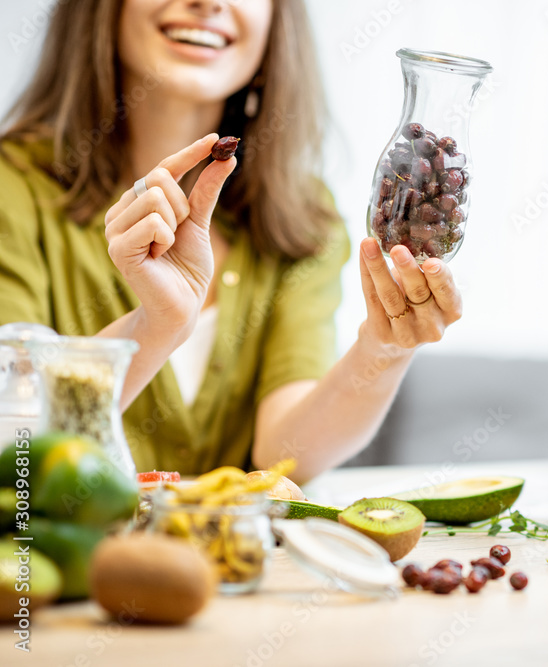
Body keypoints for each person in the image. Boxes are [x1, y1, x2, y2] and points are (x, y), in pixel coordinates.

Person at [0, 0, 462, 482]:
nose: (208, 3)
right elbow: (16, 440)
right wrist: (157, 323)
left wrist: (384, 349)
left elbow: (285, 453)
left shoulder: (305, 217)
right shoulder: (11, 187)